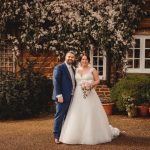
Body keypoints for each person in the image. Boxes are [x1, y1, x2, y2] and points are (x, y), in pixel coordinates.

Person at [59, 54, 120, 145]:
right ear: (80, 60)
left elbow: (97, 80)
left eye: (86, 59)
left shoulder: (92, 70)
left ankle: (92, 135)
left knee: (90, 113)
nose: (84, 61)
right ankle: (75, 135)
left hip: (90, 94)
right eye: (83, 59)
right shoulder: (76, 70)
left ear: (88, 60)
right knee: (77, 113)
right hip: (78, 95)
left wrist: (90, 85)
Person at [52, 51, 76, 144]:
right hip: (62, 97)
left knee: (68, 117)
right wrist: (59, 95)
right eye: (69, 56)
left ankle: (65, 135)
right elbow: (56, 81)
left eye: (72, 57)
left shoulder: (73, 68)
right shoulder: (59, 67)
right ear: (65, 57)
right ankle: (56, 136)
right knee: (59, 116)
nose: (70, 58)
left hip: (71, 96)